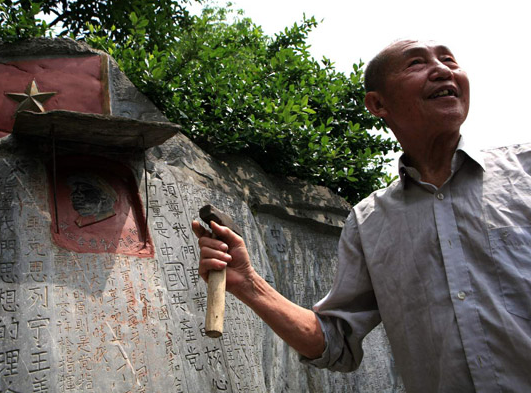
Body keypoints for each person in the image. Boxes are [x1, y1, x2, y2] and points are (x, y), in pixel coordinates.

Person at [192, 39, 531, 392]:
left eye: (449, 60)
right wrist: (248, 283)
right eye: (417, 63)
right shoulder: (369, 222)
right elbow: (334, 342)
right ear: (378, 103)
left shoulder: (525, 171)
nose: (443, 69)